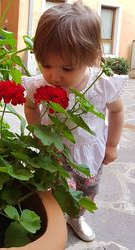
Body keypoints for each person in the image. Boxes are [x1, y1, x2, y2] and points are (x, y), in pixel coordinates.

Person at [23, 1, 127, 242]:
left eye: (67, 68)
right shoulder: (40, 84)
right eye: (46, 64)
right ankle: (55, 220)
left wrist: (112, 145)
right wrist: (38, 132)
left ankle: (77, 216)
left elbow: (118, 112)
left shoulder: (100, 84)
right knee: (55, 188)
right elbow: (30, 106)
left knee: (87, 192)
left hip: (89, 152)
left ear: (90, 56)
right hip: (55, 150)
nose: (54, 75)